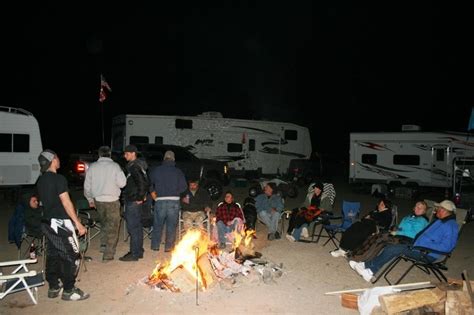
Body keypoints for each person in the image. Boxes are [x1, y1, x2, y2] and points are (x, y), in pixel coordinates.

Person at [350, 200, 459, 282]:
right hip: (418, 246)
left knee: (393, 249)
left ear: (444, 211)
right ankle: (366, 265)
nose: (435, 211)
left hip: (427, 253)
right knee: (387, 243)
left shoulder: (451, 226)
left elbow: (447, 247)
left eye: (438, 209)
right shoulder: (442, 221)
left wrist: (423, 244)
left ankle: (370, 272)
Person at [36, 149, 90, 301]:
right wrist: (78, 223)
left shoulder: (40, 180)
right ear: (53, 159)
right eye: (58, 157)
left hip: (47, 222)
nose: (59, 160)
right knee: (72, 255)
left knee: (53, 254)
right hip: (60, 222)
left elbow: (38, 200)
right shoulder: (58, 179)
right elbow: (66, 202)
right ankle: (69, 290)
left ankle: (53, 287)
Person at [83, 146, 126, 262]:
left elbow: (87, 187)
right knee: (113, 227)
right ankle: (108, 254)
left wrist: (90, 200)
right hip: (112, 200)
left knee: (104, 223)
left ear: (99, 154)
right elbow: (122, 184)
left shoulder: (92, 167)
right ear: (110, 154)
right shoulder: (115, 166)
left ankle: (103, 245)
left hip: (98, 201)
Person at [349, 200, 429, 262]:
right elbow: (400, 227)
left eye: (420, 208)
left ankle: (360, 258)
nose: (417, 209)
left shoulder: (422, 221)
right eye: (416, 206)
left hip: (408, 240)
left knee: (379, 239)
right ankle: (355, 253)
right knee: (374, 236)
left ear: (424, 211)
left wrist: (397, 232)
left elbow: (415, 234)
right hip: (399, 235)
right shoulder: (408, 217)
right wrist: (394, 230)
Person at [149, 150, 187, 252]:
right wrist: (176, 191)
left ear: (164, 158)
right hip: (173, 201)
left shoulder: (156, 170)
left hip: (160, 200)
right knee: (171, 226)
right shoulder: (178, 171)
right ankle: (169, 247)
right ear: (173, 159)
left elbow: (149, 183)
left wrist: (153, 193)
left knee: (158, 224)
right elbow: (184, 187)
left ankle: (155, 246)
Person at [120, 144, 149, 262]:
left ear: (133, 154)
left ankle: (134, 253)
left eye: (126, 153)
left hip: (133, 200)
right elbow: (146, 181)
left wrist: (140, 197)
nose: (124, 156)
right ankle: (139, 251)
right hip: (134, 200)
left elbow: (142, 183)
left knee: (133, 228)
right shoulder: (139, 165)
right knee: (137, 227)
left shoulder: (134, 166)